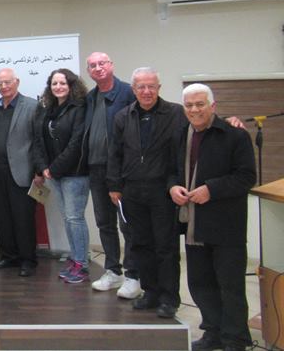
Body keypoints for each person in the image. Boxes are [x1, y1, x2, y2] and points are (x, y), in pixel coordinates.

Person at [170, 84, 256, 351]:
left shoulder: (235, 135)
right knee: (200, 284)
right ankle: (213, 333)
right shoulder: (180, 135)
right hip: (194, 226)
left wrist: (211, 189)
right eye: (189, 105)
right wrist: (172, 187)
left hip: (226, 226)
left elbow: (246, 177)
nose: (194, 110)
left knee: (230, 287)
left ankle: (235, 339)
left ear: (213, 106)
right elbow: (171, 171)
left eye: (200, 104)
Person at [107, 67, 184, 318]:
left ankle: (169, 298)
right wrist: (114, 185)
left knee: (165, 247)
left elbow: (198, 127)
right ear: (134, 90)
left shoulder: (176, 113)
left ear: (159, 88)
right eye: (141, 87)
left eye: (151, 86)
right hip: (132, 191)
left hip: (163, 191)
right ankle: (150, 292)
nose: (147, 91)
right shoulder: (122, 117)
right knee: (140, 245)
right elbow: (115, 153)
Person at [82, 52, 140, 298]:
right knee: (104, 223)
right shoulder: (90, 97)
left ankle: (134, 275)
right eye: (92, 65)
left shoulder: (128, 93)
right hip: (96, 169)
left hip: (122, 170)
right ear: (89, 71)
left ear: (111, 65)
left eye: (102, 63)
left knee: (128, 225)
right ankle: (113, 271)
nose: (98, 68)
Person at [32, 69, 89, 283]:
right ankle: (75, 259)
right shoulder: (49, 109)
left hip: (75, 173)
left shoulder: (80, 108)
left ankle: (82, 264)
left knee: (75, 218)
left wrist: (53, 169)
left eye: (63, 83)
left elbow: (76, 144)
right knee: (68, 218)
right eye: (54, 83)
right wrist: (44, 168)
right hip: (54, 173)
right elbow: (38, 139)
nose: (58, 87)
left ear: (72, 85)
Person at [0, 68, 39, 277]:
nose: (3, 86)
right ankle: (8, 256)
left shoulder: (32, 106)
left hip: (22, 171)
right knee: (3, 217)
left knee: (23, 217)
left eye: (7, 82)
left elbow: (38, 141)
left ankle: (28, 259)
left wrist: (38, 171)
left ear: (17, 82)